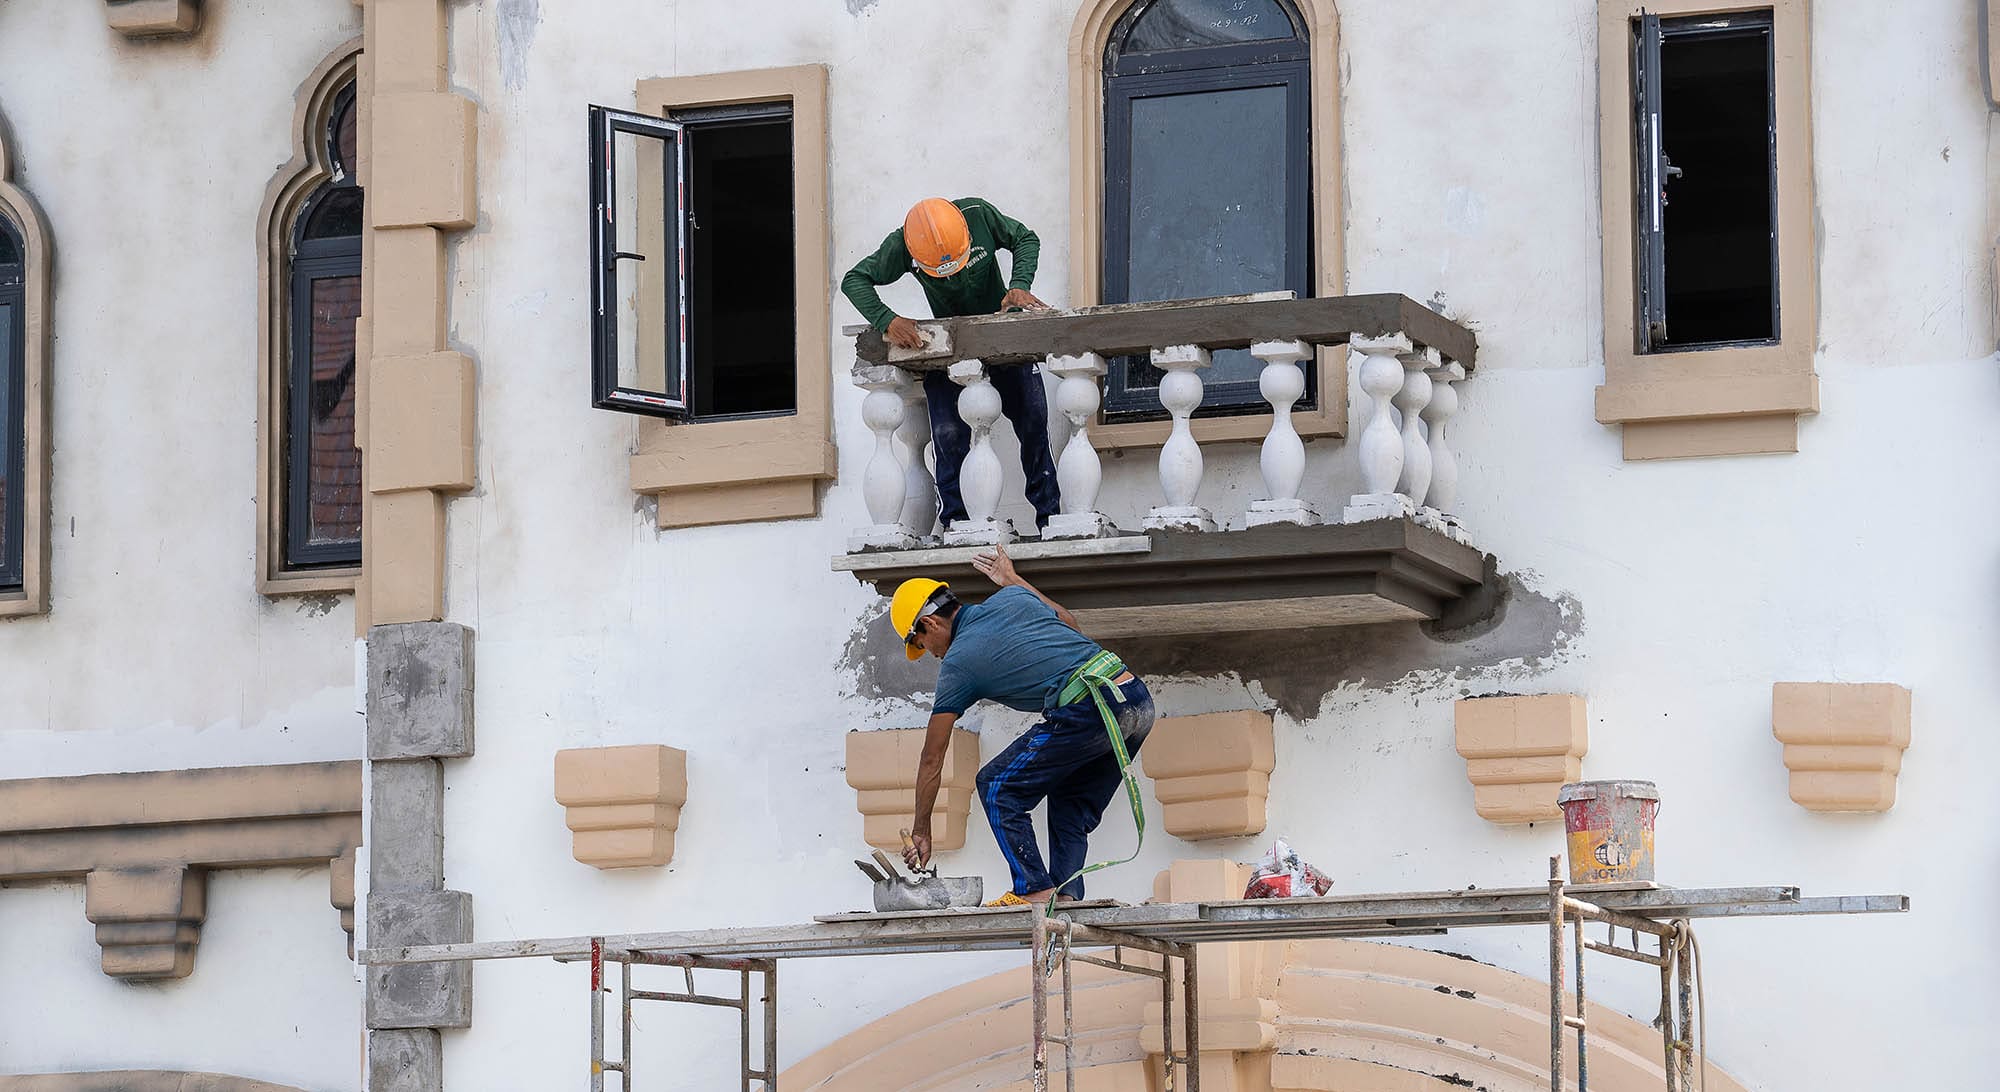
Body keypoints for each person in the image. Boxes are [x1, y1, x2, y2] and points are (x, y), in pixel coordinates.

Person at [891, 545, 1155, 906]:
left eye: (922, 644)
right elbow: (1070, 624)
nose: (932, 654)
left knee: (997, 786)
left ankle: (1033, 888)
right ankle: (1065, 897)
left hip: (1092, 706)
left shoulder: (957, 664)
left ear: (929, 624)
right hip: (1135, 699)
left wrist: (922, 829)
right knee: (1070, 802)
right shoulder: (1012, 596)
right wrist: (1012, 579)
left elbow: (932, 758)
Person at [842, 198, 1060, 531]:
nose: (953, 276)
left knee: (1033, 422)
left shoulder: (978, 215)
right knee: (947, 435)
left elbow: (1025, 238)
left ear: (967, 237)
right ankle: (955, 522)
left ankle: (1049, 517)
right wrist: (887, 320)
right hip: (948, 353)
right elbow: (854, 280)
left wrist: (1019, 285)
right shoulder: (903, 244)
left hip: (1004, 339)